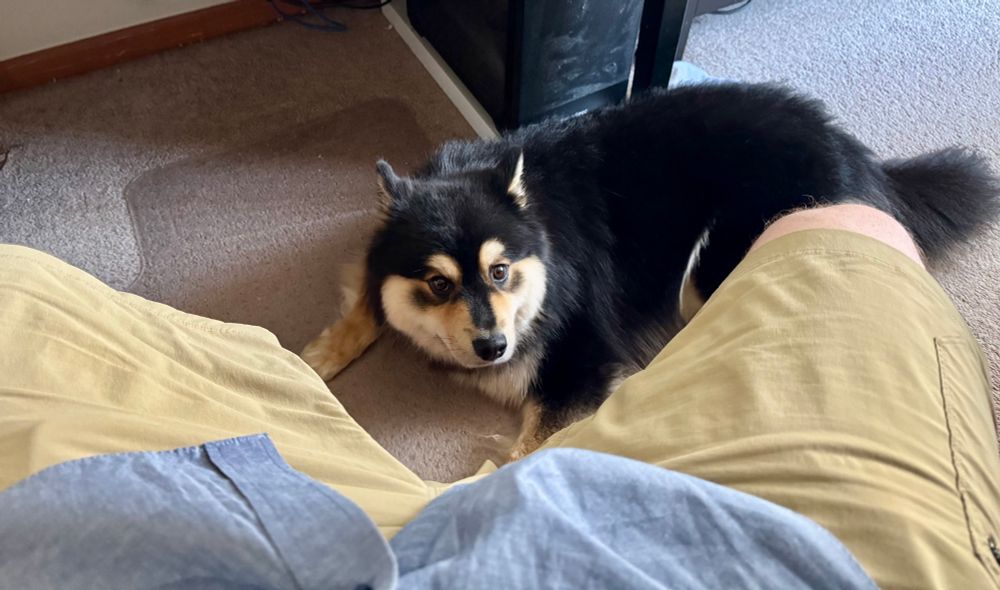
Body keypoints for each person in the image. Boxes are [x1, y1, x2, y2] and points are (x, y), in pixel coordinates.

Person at [1, 202, 998, 589]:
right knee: (844, 231)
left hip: (144, 504)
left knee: (238, 372)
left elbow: (562, 374)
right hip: (767, 553)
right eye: (442, 293)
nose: (482, 324)